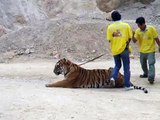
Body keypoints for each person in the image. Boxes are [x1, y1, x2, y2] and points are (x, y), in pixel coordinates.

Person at [106, 11, 133, 90]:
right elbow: (130, 37)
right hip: (124, 49)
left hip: (115, 50)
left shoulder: (110, 27)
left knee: (117, 65)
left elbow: (109, 40)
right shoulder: (126, 25)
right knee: (126, 67)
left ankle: (113, 77)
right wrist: (126, 43)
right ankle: (127, 85)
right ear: (120, 16)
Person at [132, 17, 160, 84]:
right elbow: (134, 41)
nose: (138, 26)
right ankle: (146, 73)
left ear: (143, 24)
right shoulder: (138, 31)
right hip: (142, 51)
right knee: (143, 64)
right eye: (138, 25)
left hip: (151, 50)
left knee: (151, 64)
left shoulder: (151, 29)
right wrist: (133, 35)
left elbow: (156, 39)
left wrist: (159, 46)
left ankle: (151, 78)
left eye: (139, 25)